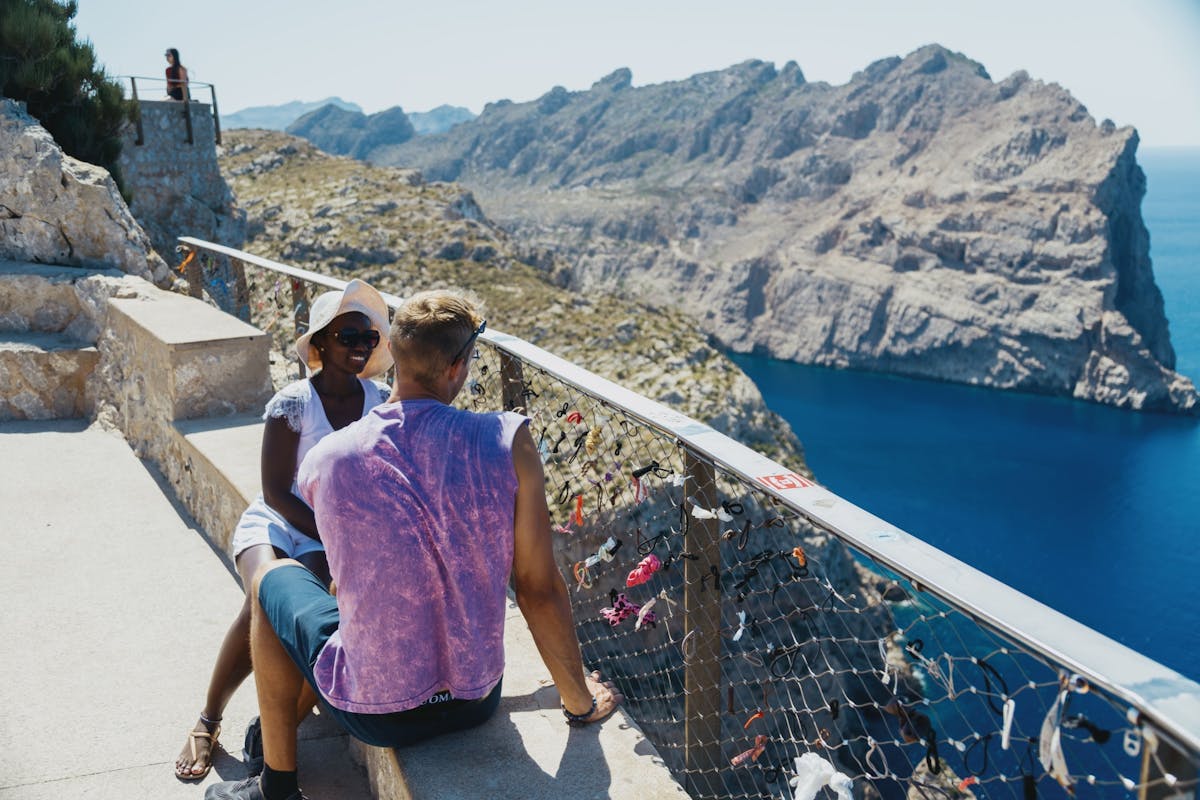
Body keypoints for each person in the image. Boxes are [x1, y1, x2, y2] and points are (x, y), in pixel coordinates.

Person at [204, 290, 621, 800]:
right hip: (476, 697)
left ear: (393, 356)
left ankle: (276, 788)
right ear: (458, 366)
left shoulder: (330, 459)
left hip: (375, 713)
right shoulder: (508, 441)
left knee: (271, 580)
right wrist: (579, 703)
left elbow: (345, 570)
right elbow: (537, 588)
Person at [175, 279, 393, 781]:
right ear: (320, 343)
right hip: (281, 521)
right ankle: (209, 718)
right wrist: (337, 535)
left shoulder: (379, 401)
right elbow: (276, 492)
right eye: (348, 336)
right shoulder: (294, 403)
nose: (361, 346)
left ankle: (277, 729)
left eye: (369, 338)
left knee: (304, 614)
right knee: (263, 596)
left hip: (329, 533)